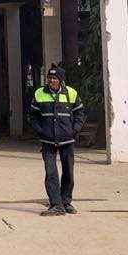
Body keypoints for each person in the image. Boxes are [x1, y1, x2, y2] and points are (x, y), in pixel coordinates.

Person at [28, 65, 85, 216]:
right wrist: (40, 131)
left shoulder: (71, 93)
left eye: (54, 78)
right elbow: (33, 116)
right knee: (51, 172)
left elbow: (80, 113)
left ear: (61, 80)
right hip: (48, 142)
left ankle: (66, 202)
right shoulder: (39, 93)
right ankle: (56, 204)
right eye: (49, 78)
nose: (51, 81)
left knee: (68, 172)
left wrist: (74, 130)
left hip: (67, 141)